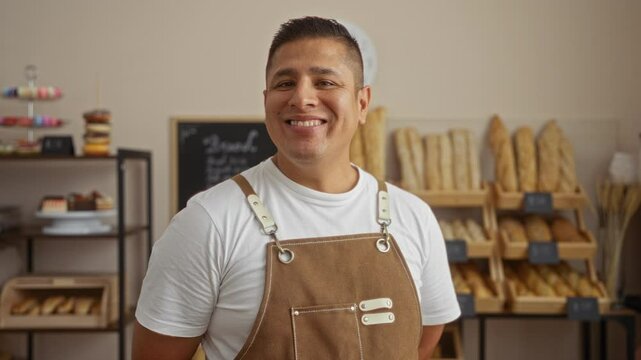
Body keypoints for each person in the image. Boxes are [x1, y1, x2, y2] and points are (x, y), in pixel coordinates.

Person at [133, 16, 460, 360]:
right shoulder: (207, 223)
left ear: (362, 103)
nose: (302, 98)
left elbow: (423, 340)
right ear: (266, 100)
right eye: (285, 83)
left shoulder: (413, 216)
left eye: (325, 82)